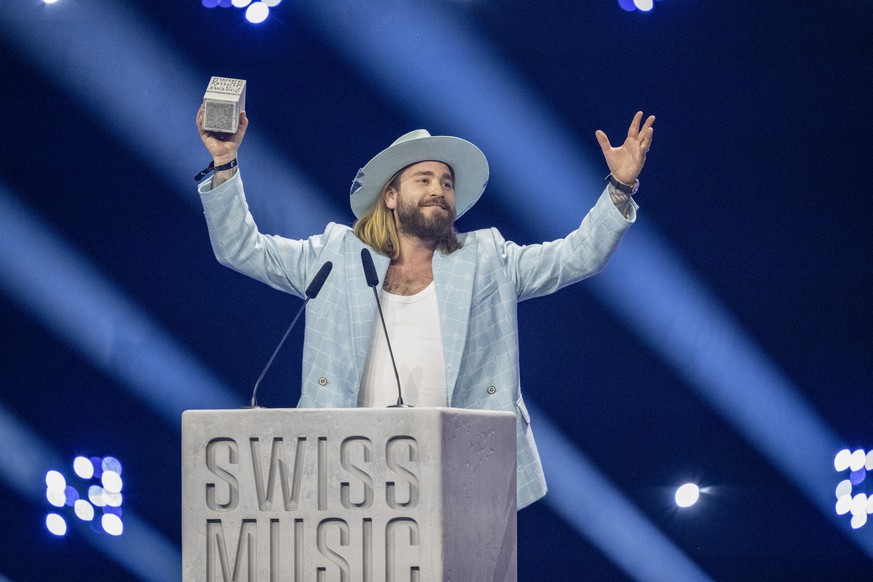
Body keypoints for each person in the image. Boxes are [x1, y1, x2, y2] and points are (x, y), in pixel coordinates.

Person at [195, 107, 655, 509]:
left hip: (460, 476)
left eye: (447, 183)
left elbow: (577, 256)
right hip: (346, 475)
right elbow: (241, 249)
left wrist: (620, 186)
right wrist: (224, 162)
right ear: (391, 197)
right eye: (424, 179)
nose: (439, 189)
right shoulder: (334, 255)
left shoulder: (487, 258)